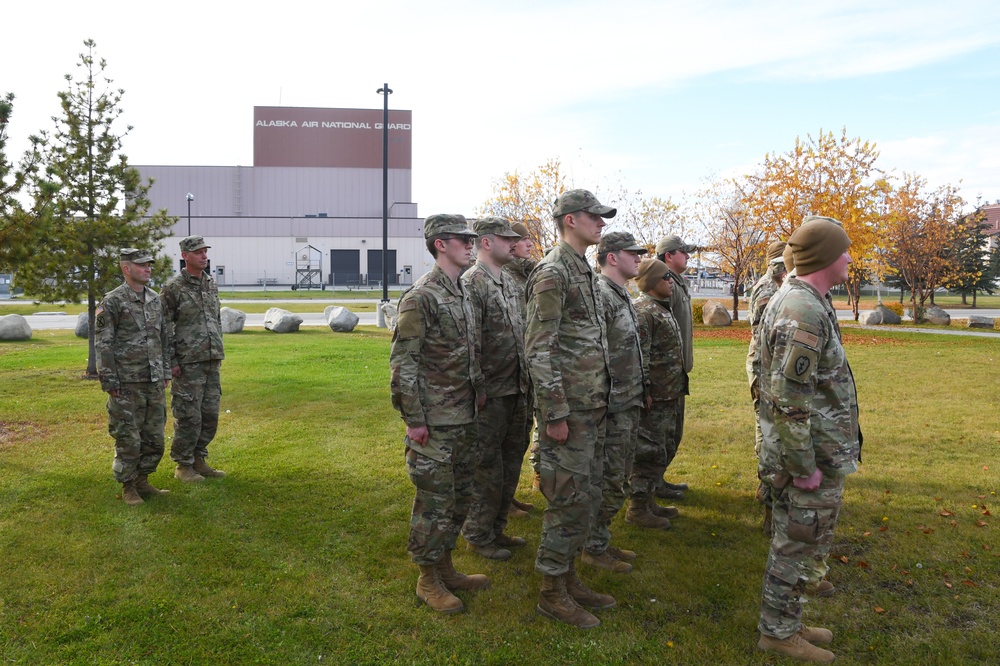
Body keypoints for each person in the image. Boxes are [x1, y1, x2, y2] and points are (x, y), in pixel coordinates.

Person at [756, 218, 859, 663]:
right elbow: (788, 399)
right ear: (824, 257)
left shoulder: (810, 300)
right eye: (845, 250)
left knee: (803, 539)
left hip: (816, 450)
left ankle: (788, 621)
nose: (851, 258)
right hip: (807, 457)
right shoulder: (802, 310)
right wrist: (804, 466)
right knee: (797, 542)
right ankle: (777, 632)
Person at [390, 214, 489, 614]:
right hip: (434, 422)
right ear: (440, 244)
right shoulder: (421, 296)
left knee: (459, 498)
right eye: (462, 240)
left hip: (464, 416)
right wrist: (414, 420)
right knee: (433, 503)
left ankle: (445, 566)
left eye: (471, 239)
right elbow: (404, 364)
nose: (471, 245)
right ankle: (427, 579)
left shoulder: (461, 291)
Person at [525, 189, 615, 629]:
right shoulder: (552, 273)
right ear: (569, 220)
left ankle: (570, 577)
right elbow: (539, 350)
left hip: (591, 408)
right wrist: (555, 415)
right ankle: (551, 593)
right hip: (570, 414)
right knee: (566, 501)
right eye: (594, 217)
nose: (601, 223)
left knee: (586, 498)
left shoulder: (583, 271)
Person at [461, 217, 531, 561]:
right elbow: (470, 341)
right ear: (486, 242)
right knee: (486, 466)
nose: (513, 243)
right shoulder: (472, 282)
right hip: (489, 393)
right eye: (507, 239)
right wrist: (477, 389)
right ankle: (478, 533)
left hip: (516, 390)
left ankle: (497, 527)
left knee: (510, 462)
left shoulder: (510, 282)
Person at [581, 232, 647, 573]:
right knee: (606, 478)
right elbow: (594, 353)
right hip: (610, 404)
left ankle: (599, 539)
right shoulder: (601, 295)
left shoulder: (621, 294)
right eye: (632, 252)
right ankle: (592, 546)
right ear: (611, 257)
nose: (639, 257)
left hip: (627, 400)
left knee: (618, 475)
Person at [96, 248, 171, 506]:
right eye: (142, 265)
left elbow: (163, 338)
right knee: (128, 436)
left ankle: (142, 481)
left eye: (149, 264)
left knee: (155, 436)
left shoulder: (154, 298)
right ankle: (128, 486)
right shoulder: (113, 301)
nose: (148, 268)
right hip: (126, 382)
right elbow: (104, 343)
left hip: (154, 380)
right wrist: (110, 380)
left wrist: (165, 372)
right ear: (126, 269)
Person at [161, 236, 226, 483]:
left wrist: (217, 350)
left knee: (210, 415)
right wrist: (171, 361)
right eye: (198, 252)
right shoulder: (173, 288)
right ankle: (183, 465)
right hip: (187, 362)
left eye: (205, 251)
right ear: (185, 256)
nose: (204, 256)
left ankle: (199, 459)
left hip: (211, 359)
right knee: (189, 415)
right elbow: (164, 326)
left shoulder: (210, 283)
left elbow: (215, 319)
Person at [628, 259, 687, 530]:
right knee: (648, 451)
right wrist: (646, 389)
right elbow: (640, 355)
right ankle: (637, 508)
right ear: (652, 282)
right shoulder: (644, 311)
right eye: (666, 278)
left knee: (662, 447)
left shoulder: (660, 308)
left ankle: (649, 499)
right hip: (656, 396)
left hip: (669, 392)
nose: (671, 281)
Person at [746, 241, 788, 537]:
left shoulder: (775, 285)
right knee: (769, 433)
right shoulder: (768, 288)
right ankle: (769, 494)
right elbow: (766, 337)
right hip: (767, 369)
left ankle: (767, 487)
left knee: (768, 431)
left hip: (769, 368)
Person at [653, 234, 697, 498]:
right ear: (669, 256)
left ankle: (657, 480)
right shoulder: (662, 283)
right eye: (683, 252)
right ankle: (648, 486)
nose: (688, 256)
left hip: (676, 373)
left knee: (672, 433)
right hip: (664, 375)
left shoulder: (676, 282)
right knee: (661, 434)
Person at [503, 221, 538, 516]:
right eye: (524, 239)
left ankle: (507, 497)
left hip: (525, 372)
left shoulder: (527, 274)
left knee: (518, 440)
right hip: (506, 374)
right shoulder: (504, 277)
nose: (530, 243)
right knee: (500, 446)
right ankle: (496, 502)